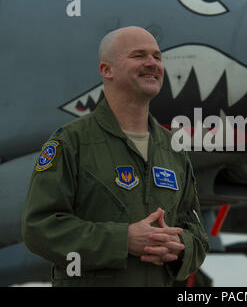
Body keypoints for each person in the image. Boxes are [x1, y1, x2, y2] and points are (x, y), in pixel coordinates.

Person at [22, 26, 210, 286]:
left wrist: (180, 246)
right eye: (139, 55)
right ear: (106, 70)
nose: (152, 64)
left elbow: (196, 232)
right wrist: (123, 240)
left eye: (157, 57)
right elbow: (39, 228)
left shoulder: (174, 148)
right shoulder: (71, 142)